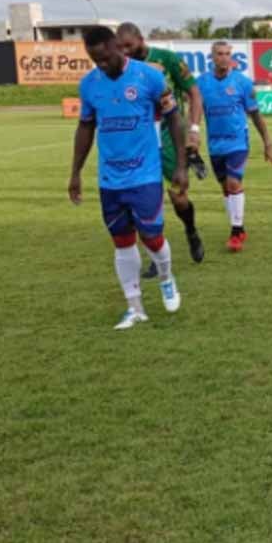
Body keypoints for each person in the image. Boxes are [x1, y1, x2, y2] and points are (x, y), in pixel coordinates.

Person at [68, 26, 184, 329]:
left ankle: (166, 276)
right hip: (110, 179)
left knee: (152, 238)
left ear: (118, 47)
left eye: (104, 58)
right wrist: (75, 172)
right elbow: (85, 127)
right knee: (121, 242)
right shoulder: (89, 85)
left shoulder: (149, 77)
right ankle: (135, 308)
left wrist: (181, 165)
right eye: (94, 60)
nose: (100, 65)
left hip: (145, 174)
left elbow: (173, 117)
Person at [116, 22, 206, 278]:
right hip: (139, 139)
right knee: (145, 198)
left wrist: (194, 131)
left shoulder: (167, 59)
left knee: (178, 196)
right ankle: (157, 255)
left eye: (129, 46)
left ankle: (190, 229)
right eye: (120, 48)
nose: (125, 52)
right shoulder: (121, 68)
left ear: (141, 39)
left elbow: (194, 93)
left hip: (169, 135)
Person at [197, 41, 272, 253]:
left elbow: (256, 115)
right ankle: (237, 226)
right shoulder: (202, 83)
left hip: (237, 143)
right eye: (219, 54)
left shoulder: (242, 83)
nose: (224, 57)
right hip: (215, 145)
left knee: (233, 184)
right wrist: (193, 134)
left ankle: (236, 230)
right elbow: (195, 112)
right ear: (212, 57)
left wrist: (268, 143)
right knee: (225, 189)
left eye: (227, 54)